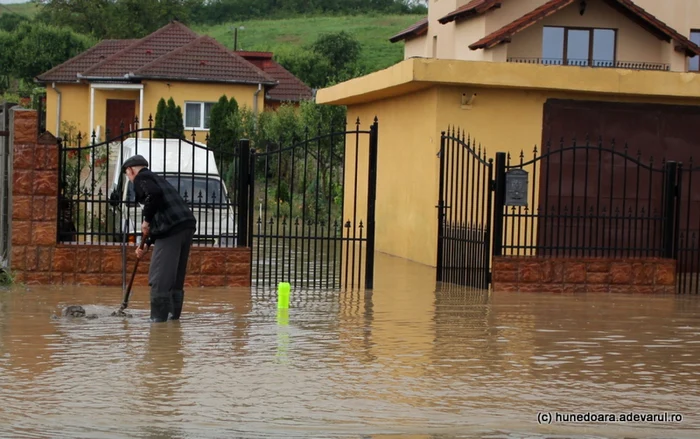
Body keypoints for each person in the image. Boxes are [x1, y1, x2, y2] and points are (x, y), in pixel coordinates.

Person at [122, 154, 197, 322]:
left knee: (160, 277)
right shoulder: (155, 178)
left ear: (130, 170)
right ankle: (172, 319)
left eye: (127, 174)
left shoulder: (141, 178)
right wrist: (147, 243)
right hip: (185, 226)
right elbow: (159, 213)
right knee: (175, 277)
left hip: (172, 230)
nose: (129, 177)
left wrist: (146, 220)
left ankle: (158, 322)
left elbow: (153, 196)